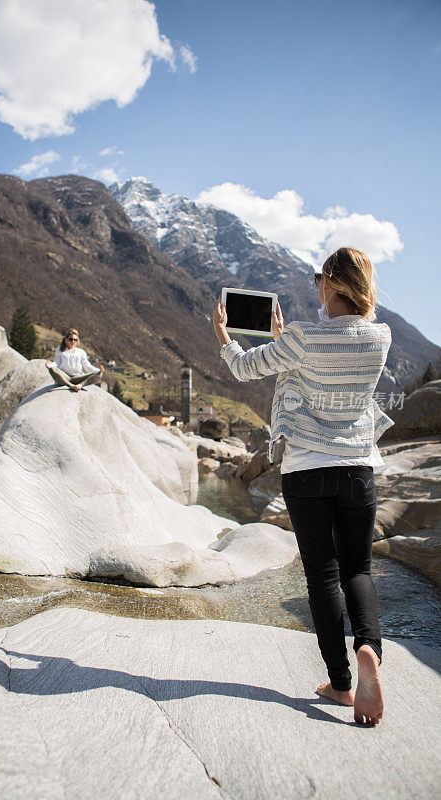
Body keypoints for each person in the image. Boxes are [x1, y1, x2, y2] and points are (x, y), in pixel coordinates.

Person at [213, 247, 393, 726]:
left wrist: (225, 337)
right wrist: (288, 342)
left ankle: (340, 683)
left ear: (330, 283)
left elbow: (248, 367)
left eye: (319, 277)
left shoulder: (302, 337)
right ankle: (368, 651)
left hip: (307, 468)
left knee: (323, 574)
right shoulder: (380, 337)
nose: (315, 284)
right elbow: (327, 372)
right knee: (358, 569)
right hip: (357, 466)